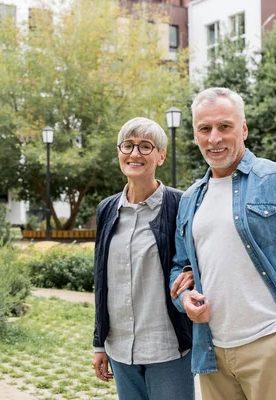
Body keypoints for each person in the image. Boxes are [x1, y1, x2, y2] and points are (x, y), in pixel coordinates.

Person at [169, 87, 276, 400]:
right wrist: (185, 299)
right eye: (205, 128)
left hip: (269, 344)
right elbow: (180, 266)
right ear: (195, 134)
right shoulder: (190, 199)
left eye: (224, 126)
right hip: (212, 350)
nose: (214, 138)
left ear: (243, 128)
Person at [92, 117, 195, 399]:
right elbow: (102, 280)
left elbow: (199, 257)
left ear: (161, 156)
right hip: (120, 348)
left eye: (146, 146)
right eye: (128, 145)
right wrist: (99, 344)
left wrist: (195, 273)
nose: (135, 153)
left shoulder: (180, 204)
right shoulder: (107, 209)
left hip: (168, 346)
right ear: (119, 152)